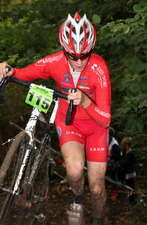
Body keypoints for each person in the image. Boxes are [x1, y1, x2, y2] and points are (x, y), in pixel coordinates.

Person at [0, 12, 111, 225]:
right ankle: (78, 197)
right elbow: (23, 74)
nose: (78, 61)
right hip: (70, 122)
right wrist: (8, 71)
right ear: (64, 50)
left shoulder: (99, 68)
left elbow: (105, 120)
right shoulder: (54, 62)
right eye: (72, 55)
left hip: (96, 128)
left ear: (91, 49)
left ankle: (98, 218)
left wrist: (86, 102)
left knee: (97, 188)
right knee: (74, 170)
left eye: (84, 55)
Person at [120, 137, 136, 206]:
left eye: (123, 143)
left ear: (126, 144)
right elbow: (122, 159)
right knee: (128, 187)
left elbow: (126, 163)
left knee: (131, 187)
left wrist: (121, 162)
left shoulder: (131, 153)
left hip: (130, 173)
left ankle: (133, 202)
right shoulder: (125, 151)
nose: (122, 145)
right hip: (126, 172)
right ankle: (130, 201)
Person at [106, 127, 121, 200]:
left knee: (113, 178)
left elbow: (118, 155)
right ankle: (104, 191)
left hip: (113, 164)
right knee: (104, 177)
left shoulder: (114, 144)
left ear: (110, 134)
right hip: (106, 163)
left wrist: (110, 155)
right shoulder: (106, 140)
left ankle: (114, 193)